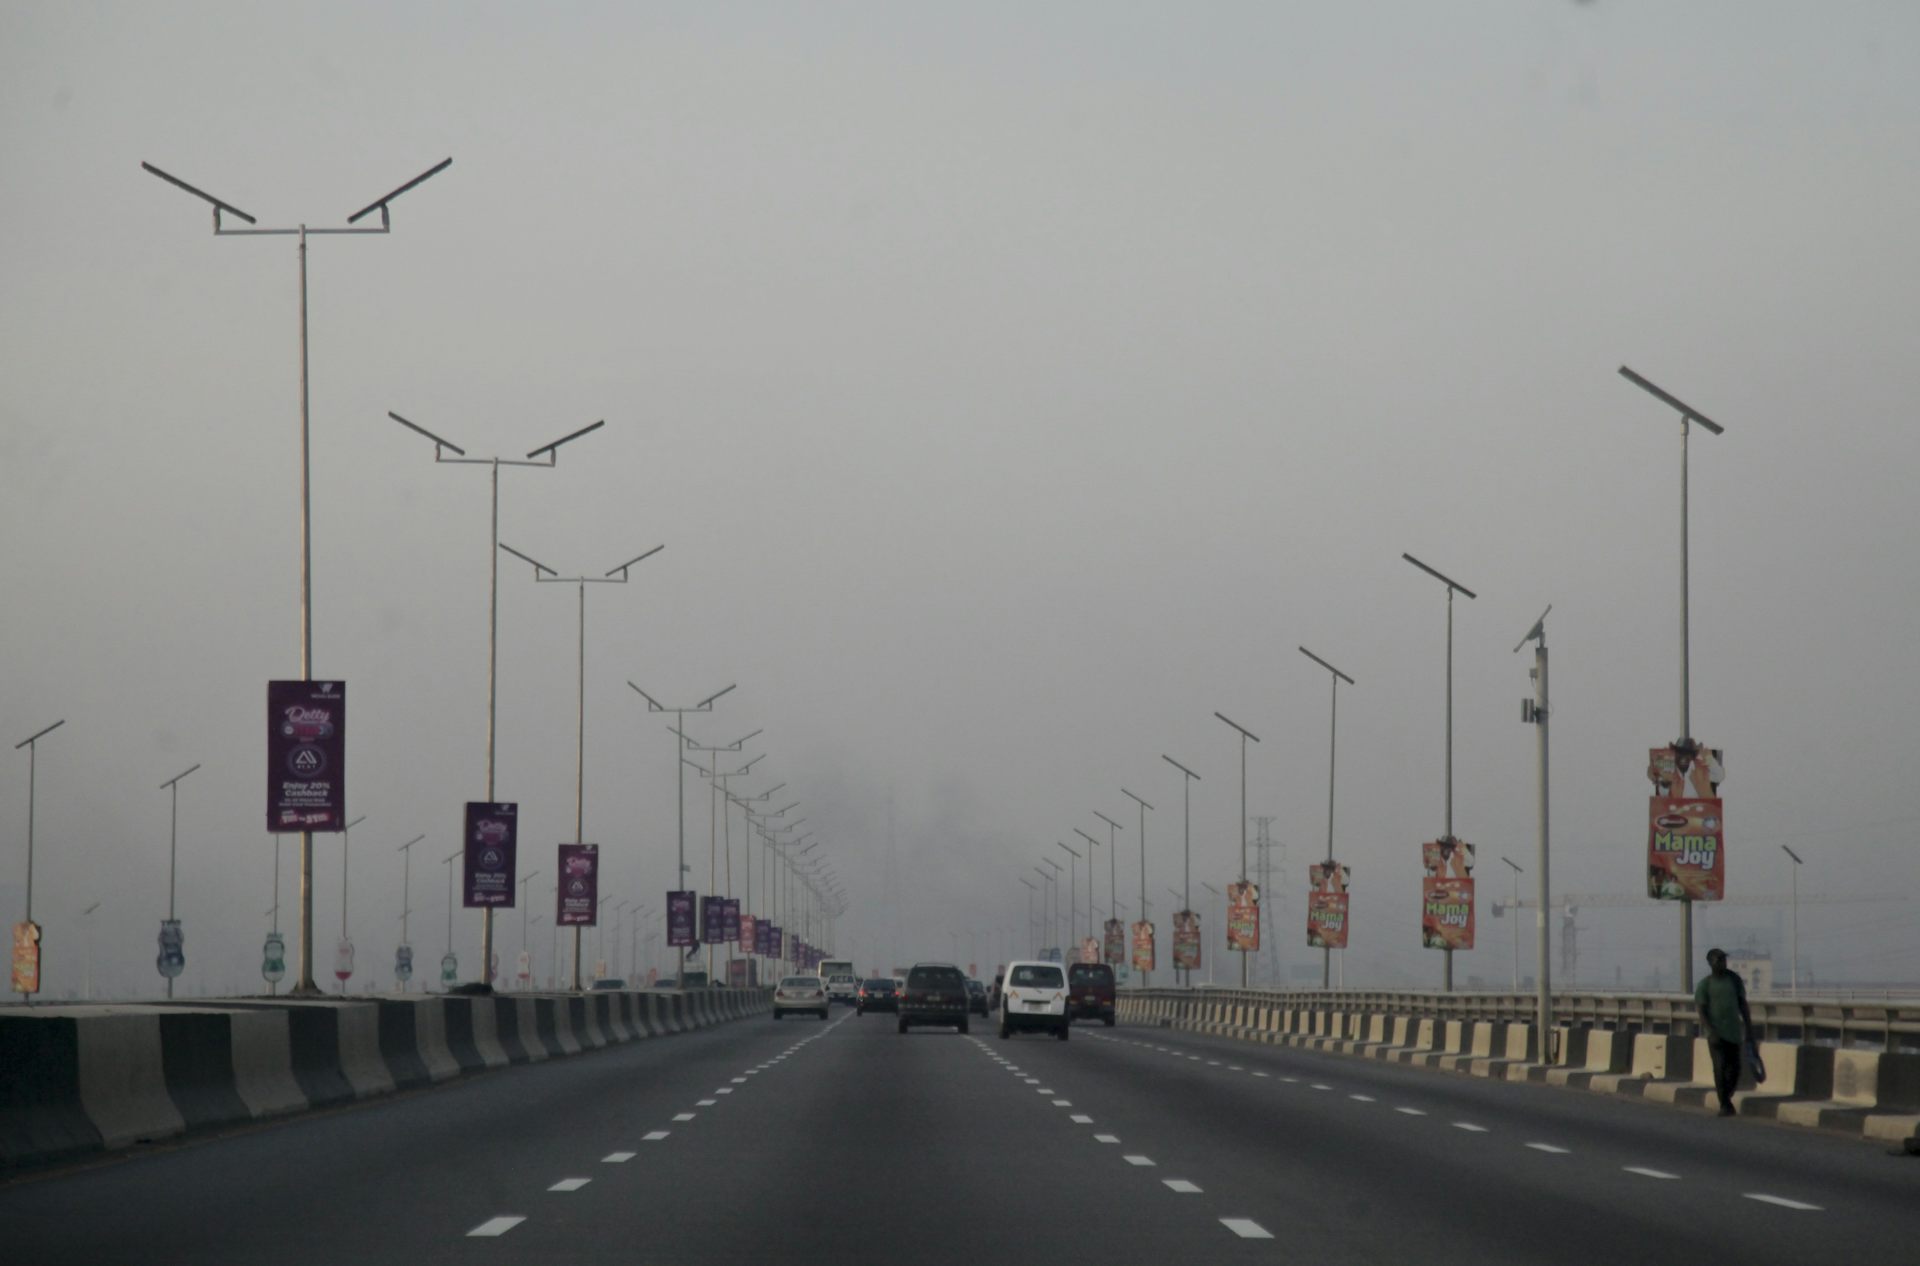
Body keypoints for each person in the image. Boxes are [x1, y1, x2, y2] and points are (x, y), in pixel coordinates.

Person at [1694, 947, 1752, 1116]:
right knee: (1719, 1068)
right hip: (1715, 1035)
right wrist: (1711, 1031)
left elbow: (1742, 1004)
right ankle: (1725, 1104)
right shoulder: (1705, 985)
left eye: (1724, 960)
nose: (1723, 963)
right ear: (1711, 963)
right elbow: (1701, 1011)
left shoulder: (1734, 980)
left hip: (1733, 1033)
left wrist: (1749, 1027)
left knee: (1734, 1070)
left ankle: (1727, 1095)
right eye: (1719, 960)